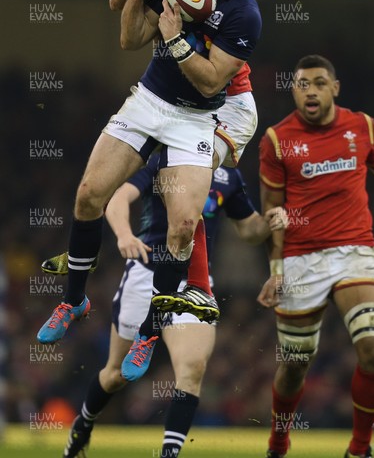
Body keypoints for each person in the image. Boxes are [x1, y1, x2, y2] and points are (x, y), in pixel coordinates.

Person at [37, 0, 263, 345]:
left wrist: (176, 38)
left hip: (216, 111)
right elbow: (127, 37)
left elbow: (214, 81)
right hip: (151, 100)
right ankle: (74, 300)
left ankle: (159, 322)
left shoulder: (244, 13)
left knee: (182, 217)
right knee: (88, 195)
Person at [51, 152, 286, 458]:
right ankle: (83, 425)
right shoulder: (162, 158)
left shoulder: (228, 177)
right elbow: (120, 198)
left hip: (194, 284)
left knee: (192, 369)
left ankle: (169, 454)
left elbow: (249, 230)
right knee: (115, 375)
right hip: (145, 273)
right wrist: (124, 234)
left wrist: (270, 222)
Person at [257, 55, 374, 458]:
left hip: (355, 251)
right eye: (303, 83)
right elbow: (273, 211)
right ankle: (279, 440)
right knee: (294, 365)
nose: (311, 90)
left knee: (373, 348)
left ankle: (359, 448)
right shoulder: (276, 140)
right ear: (293, 90)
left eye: (320, 82)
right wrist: (275, 270)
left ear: (335, 88)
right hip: (300, 259)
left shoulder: (363, 127)